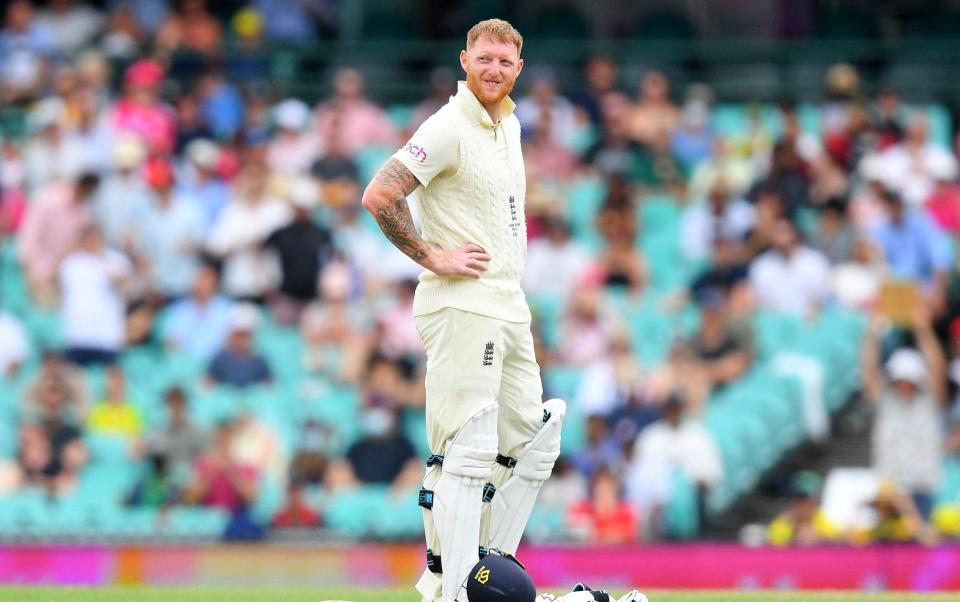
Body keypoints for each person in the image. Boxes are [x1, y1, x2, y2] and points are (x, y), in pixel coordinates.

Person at [360, 19, 569, 602]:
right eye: (484, 59)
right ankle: (452, 590)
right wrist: (431, 255)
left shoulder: (511, 126)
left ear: (518, 69)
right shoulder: (448, 125)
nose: (494, 69)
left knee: (530, 442)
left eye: (505, 61)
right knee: (467, 447)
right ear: (465, 61)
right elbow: (380, 193)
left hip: (507, 303)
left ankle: (479, 573)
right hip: (462, 304)